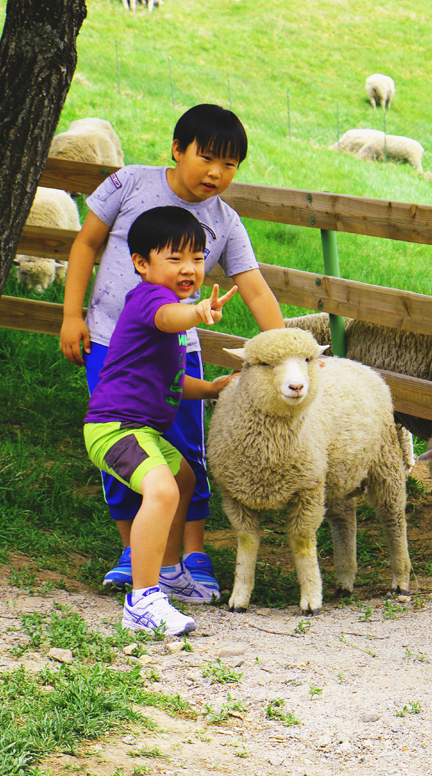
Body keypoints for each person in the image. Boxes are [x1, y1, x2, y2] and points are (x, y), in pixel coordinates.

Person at [61, 104, 285, 593]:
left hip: (176, 350)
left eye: (230, 165)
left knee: (185, 448)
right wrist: (71, 314)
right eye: (206, 158)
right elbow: (85, 244)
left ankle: (191, 553)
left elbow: (256, 289)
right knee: (124, 445)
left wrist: (289, 352)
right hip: (108, 343)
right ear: (177, 150)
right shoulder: (130, 184)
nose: (216, 173)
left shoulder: (225, 221)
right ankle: (131, 550)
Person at [85, 205, 238, 634]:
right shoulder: (154, 301)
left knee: (185, 480)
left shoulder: (166, 309)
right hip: (114, 428)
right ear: (141, 263)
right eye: (175, 259)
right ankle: (142, 600)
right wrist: (198, 314)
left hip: (137, 430)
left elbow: (170, 379)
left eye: (197, 258)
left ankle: (169, 572)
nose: (189, 268)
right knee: (162, 489)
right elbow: (171, 316)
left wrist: (209, 388)